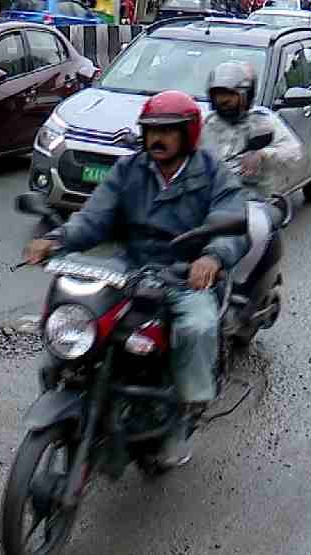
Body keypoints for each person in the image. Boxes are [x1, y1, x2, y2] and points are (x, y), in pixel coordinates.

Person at [23, 90, 250, 467]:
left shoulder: (213, 173)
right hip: (131, 267)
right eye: (150, 131)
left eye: (167, 131)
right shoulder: (130, 170)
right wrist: (56, 239)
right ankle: (78, 391)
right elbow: (95, 216)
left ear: (188, 133)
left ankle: (185, 410)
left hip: (185, 274)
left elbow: (233, 225)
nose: (157, 139)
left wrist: (212, 256)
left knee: (196, 326)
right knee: (82, 318)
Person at [200, 61, 303, 201]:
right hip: (210, 198)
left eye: (230, 95)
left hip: (253, 199)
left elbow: (294, 153)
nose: (223, 100)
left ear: (246, 95)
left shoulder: (263, 120)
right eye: (218, 95)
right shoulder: (206, 123)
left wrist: (262, 155)